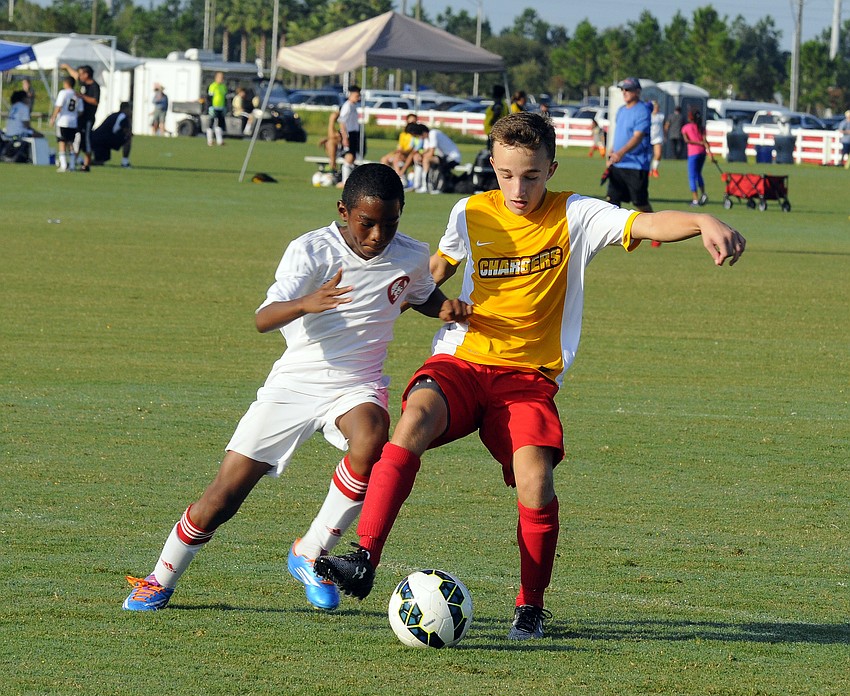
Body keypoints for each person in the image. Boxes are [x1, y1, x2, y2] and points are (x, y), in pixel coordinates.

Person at [314, 111, 745, 641]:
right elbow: (434, 275)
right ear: (492, 165)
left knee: (537, 480)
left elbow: (646, 224)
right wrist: (384, 302)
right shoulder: (469, 211)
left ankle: (530, 606)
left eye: (533, 176)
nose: (519, 188)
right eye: (508, 174)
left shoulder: (576, 215)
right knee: (412, 422)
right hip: (463, 360)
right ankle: (364, 556)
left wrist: (703, 221)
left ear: (552, 168)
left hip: (527, 379)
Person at [122, 163, 468, 613]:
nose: (378, 235)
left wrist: (445, 309)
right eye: (367, 223)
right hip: (294, 385)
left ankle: (311, 551)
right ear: (344, 211)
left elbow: (419, 294)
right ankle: (160, 578)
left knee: (373, 437)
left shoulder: (410, 254)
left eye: (390, 223)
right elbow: (263, 318)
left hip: (357, 385)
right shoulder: (312, 252)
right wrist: (308, 302)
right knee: (222, 498)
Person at [606, 77, 658, 245]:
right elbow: (618, 134)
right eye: (623, 90)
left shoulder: (642, 110)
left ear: (637, 91)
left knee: (639, 202)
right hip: (618, 163)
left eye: (628, 90)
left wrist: (620, 153)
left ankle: (657, 231)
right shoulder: (621, 110)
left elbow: (637, 137)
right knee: (612, 200)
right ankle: (614, 236)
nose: (624, 93)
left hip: (635, 164)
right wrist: (612, 153)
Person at [60, 64, 100, 171]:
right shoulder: (84, 84)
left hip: (88, 118)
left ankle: (86, 165)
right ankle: (74, 161)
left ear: (87, 74)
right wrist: (67, 67)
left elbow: (95, 101)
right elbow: (75, 75)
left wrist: (82, 96)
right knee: (76, 140)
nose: (80, 76)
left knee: (86, 140)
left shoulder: (94, 86)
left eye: (82, 73)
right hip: (80, 118)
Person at [415, 125, 462, 194]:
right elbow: (426, 150)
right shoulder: (427, 138)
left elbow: (431, 152)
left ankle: (428, 186)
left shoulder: (433, 133)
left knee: (426, 160)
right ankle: (425, 184)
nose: (420, 138)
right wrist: (419, 155)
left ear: (424, 133)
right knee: (423, 159)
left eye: (419, 136)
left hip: (452, 157)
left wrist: (423, 157)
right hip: (444, 157)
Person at [49, 75, 81, 173]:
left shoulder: (63, 93)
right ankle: (72, 165)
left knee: (61, 142)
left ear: (66, 83)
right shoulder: (77, 95)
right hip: (73, 122)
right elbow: (80, 111)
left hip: (63, 121)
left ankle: (63, 165)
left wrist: (53, 118)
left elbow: (58, 106)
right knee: (71, 143)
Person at [91, 101, 133, 168]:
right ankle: (125, 162)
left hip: (97, 138)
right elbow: (127, 133)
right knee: (128, 139)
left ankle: (86, 160)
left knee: (101, 161)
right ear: (126, 109)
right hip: (102, 140)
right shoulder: (123, 117)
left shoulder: (114, 114)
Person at [681, 108, 709, 206]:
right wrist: (710, 153)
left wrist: (697, 142)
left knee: (692, 176)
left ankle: (695, 199)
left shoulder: (685, 127)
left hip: (693, 153)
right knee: (698, 174)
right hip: (702, 152)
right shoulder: (701, 127)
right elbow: (705, 141)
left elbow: (687, 140)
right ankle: (703, 193)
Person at [338, 85, 363, 159]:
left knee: (354, 155)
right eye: (356, 96)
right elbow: (342, 122)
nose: (358, 98)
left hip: (354, 133)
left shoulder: (353, 105)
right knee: (349, 156)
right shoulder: (347, 106)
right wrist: (345, 137)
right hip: (349, 134)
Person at [206, 71, 228, 146]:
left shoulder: (223, 87)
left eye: (222, 77)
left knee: (220, 124)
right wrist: (209, 107)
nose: (221, 79)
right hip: (213, 107)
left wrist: (226, 107)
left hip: (221, 108)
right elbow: (209, 97)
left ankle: (219, 141)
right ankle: (210, 141)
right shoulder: (212, 86)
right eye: (220, 77)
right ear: (216, 78)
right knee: (211, 123)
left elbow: (225, 98)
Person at [649, 100, 665, 177]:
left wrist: (664, 135)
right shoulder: (648, 115)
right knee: (648, 155)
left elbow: (664, 126)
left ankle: (654, 169)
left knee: (658, 154)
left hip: (658, 137)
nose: (656, 108)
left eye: (657, 107)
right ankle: (648, 170)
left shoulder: (661, 116)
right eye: (655, 107)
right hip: (649, 137)